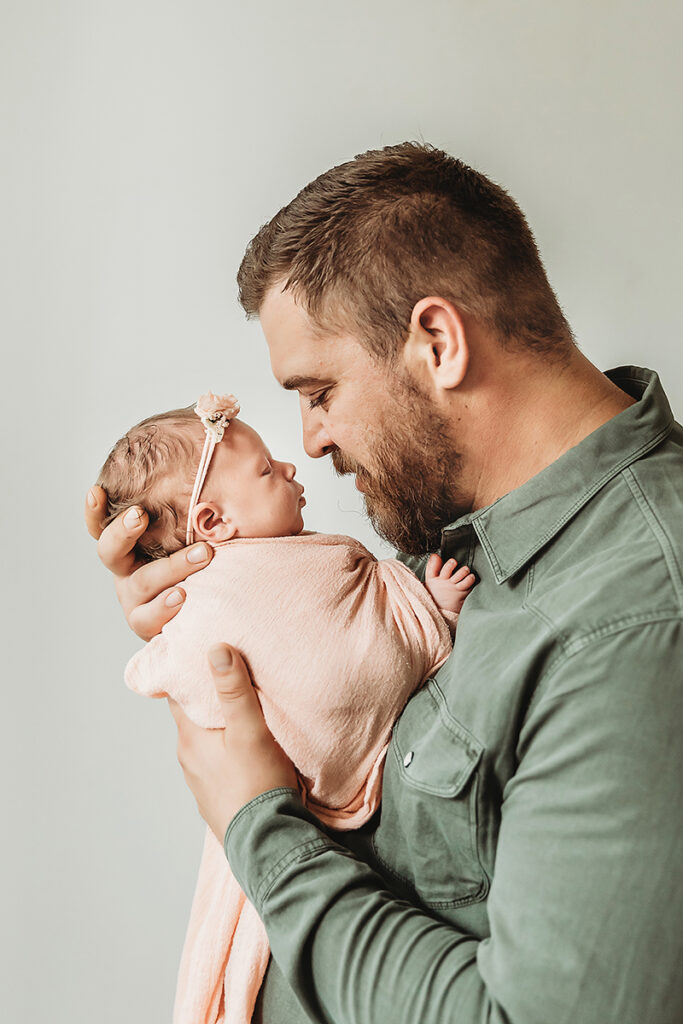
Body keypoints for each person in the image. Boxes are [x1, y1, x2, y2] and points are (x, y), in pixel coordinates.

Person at [86, 142, 683, 1024]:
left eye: (318, 390)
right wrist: (209, 611)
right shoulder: (466, 527)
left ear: (436, 343)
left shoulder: (634, 620)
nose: (312, 440)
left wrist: (257, 824)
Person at [96, 390, 474, 1024]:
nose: (295, 465)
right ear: (213, 524)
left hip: (292, 828)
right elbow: (300, 664)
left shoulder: (311, 565)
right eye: (268, 470)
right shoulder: (206, 595)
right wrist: (424, 610)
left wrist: (412, 600)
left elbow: (352, 630)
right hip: (285, 805)